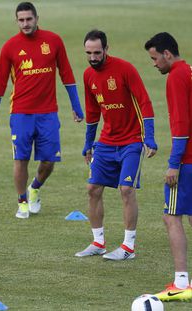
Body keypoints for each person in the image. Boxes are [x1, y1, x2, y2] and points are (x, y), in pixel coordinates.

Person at [0, 2, 84, 219]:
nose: (25, 24)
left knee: (48, 161)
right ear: (16, 21)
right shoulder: (10, 47)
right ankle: (22, 202)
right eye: (21, 20)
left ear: (37, 18)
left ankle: (34, 188)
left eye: (29, 19)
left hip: (48, 113)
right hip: (20, 113)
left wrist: (76, 106)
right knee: (21, 159)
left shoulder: (54, 41)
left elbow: (66, 74)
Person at [75, 30, 157, 260]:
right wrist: (88, 143)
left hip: (131, 141)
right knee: (92, 189)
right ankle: (98, 242)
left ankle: (128, 247)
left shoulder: (125, 69)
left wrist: (148, 137)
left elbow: (145, 102)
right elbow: (92, 113)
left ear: (106, 49)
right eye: (88, 53)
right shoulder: (88, 75)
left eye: (97, 53)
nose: (93, 57)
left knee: (126, 189)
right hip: (106, 142)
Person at [145, 32, 192, 301]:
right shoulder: (189, 70)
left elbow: (182, 126)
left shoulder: (176, 76)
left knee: (171, 216)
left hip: (187, 160)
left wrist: (174, 164)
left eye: (155, 58)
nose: (154, 64)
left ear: (167, 54)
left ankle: (181, 282)